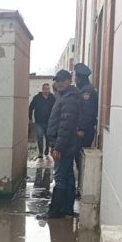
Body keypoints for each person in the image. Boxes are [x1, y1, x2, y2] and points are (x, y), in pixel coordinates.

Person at [39, 69, 82, 220]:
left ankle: (55, 211)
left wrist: (58, 147)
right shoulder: (65, 95)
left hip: (64, 145)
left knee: (60, 177)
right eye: (57, 80)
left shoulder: (69, 98)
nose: (60, 83)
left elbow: (65, 125)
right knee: (68, 176)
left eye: (63, 80)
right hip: (67, 144)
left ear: (70, 80)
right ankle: (67, 209)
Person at [73, 63, 99, 193]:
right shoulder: (86, 89)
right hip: (84, 130)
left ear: (79, 78)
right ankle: (80, 186)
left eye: (76, 77)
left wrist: (82, 129)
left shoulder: (86, 91)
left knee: (81, 160)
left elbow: (87, 113)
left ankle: (81, 187)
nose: (75, 80)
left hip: (84, 132)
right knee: (80, 159)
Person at [28, 83, 56, 160]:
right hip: (39, 122)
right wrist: (30, 118)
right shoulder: (37, 98)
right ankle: (40, 152)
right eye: (46, 89)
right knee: (40, 137)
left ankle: (47, 149)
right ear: (42, 90)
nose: (47, 91)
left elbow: (56, 109)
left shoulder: (52, 98)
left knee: (48, 137)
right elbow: (31, 107)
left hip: (49, 122)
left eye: (48, 89)